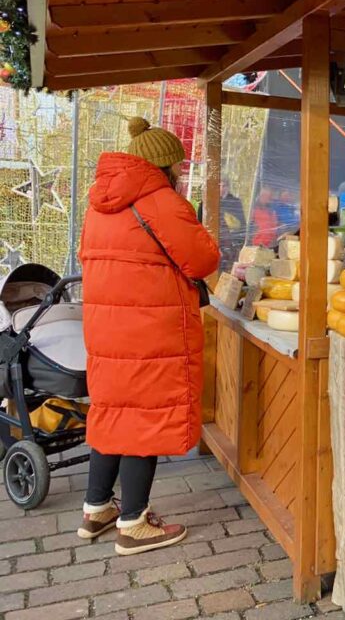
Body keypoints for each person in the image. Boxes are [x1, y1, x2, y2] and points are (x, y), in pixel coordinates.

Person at [77, 117, 220, 555]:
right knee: (143, 417)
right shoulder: (160, 201)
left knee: (112, 412)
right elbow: (203, 260)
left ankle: (97, 508)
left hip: (107, 331)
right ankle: (134, 523)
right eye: (178, 166)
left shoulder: (98, 204)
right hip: (149, 331)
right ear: (166, 166)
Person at [219, 180, 245, 271]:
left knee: (230, 270)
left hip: (231, 244)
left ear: (228, 187)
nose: (222, 188)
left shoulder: (235, 202)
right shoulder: (209, 201)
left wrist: (240, 243)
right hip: (215, 244)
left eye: (224, 186)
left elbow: (242, 224)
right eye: (220, 185)